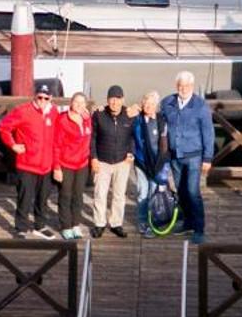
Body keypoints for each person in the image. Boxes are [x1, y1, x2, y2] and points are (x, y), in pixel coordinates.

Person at [157, 71, 214, 243]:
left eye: (187, 86)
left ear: (192, 86)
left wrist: (208, 158)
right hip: (175, 156)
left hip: (194, 156)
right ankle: (187, 222)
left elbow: (208, 133)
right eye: (180, 85)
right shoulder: (167, 103)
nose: (183, 89)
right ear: (177, 86)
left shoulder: (201, 106)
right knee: (181, 191)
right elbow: (157, 120)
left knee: (192, 191)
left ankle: (199, 228)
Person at [0, 88, 57, 236]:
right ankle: (21, 228)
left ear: (51, 98)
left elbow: (66, 122)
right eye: (40, 97)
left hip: (46, 165)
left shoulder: (54, 112)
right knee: (25, 197)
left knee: (43, 199)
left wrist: (90, 113)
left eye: (46, 98)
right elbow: (4, 127)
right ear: (35, 97)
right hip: (27, 164)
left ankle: (40, 226)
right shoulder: (23, 110)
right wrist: (13, 145)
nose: (42, 101)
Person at [89, 85, 137, 239]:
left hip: (122, 161)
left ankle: (116, 223)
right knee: (100, 194)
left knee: (119, 195)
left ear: (123, 99)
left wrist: (131, 153)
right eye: (111, 99)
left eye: (117, 99)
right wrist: (94, 157)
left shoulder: (130, 114)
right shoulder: (98, 114)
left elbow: (133, 137)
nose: (114, 102)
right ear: (107, 100)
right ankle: (99, 223)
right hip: (102, 161)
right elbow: (92, 137)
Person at [52, 93, 93, 240]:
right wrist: (56, 167)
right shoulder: (63, 119)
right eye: (76, 102)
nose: (79, 105)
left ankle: (75, 224)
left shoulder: (87, 118)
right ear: (71, 103)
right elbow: (56, 145)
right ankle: (66, 226)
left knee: (78, 196)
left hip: (82, 164)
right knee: (65, 195)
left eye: (82, 102)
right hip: (66, 164)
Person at [131, 90, 167, 226]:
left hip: (157, 164)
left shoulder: (161, 120)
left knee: (154, 193)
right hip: (141, 163)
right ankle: (142, 221)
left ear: (156, 106)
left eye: (152, 104)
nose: (148, 106)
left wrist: (161, 164)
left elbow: (165, 144)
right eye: (146, 103)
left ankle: (154, 221)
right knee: (142, 193)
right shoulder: (136, 120)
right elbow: (130, 137)